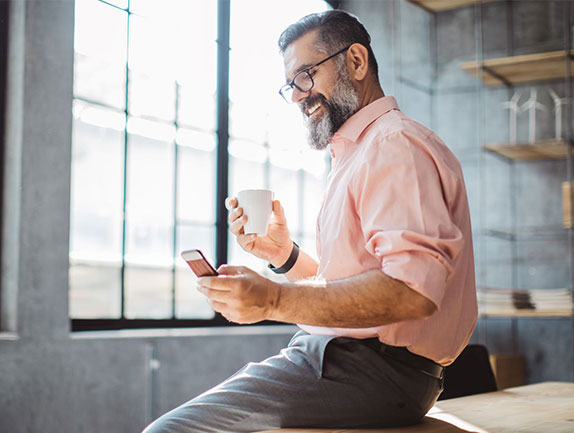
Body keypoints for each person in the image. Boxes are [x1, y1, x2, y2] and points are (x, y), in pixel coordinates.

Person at [143, 9, 477, 433]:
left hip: (369, 371)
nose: (299, 95)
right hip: (356, 364)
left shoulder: (394, 146)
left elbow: (410, 291)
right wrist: (285, 257)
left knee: (169, 431)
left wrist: (273, 300)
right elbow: (361, 289)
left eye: (306, 75)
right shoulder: (360, 152)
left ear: (356, 61)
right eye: (290, 85)